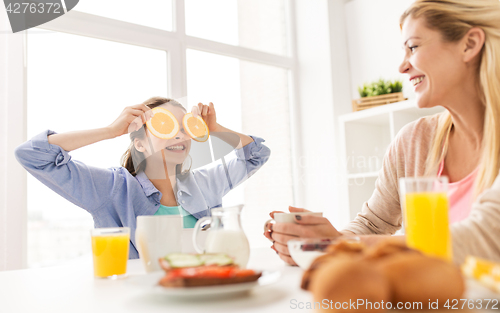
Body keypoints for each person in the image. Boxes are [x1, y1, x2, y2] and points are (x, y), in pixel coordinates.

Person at [265, 0, 500, 265]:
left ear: (469, 45)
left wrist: (344, 246)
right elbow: (373, 225)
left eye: (413, 47)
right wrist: (316, 247)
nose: (402, 67)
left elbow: (483, 238)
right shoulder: (414, 141)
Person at [16, 97, 270, 259]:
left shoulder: (205, 183)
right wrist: (110, 131)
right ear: (140, 145)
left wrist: (216, 129)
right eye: (165, 127)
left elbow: (255, 155)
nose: (179, 135)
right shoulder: (112, 189)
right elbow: (32, 155)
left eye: (185, 127)